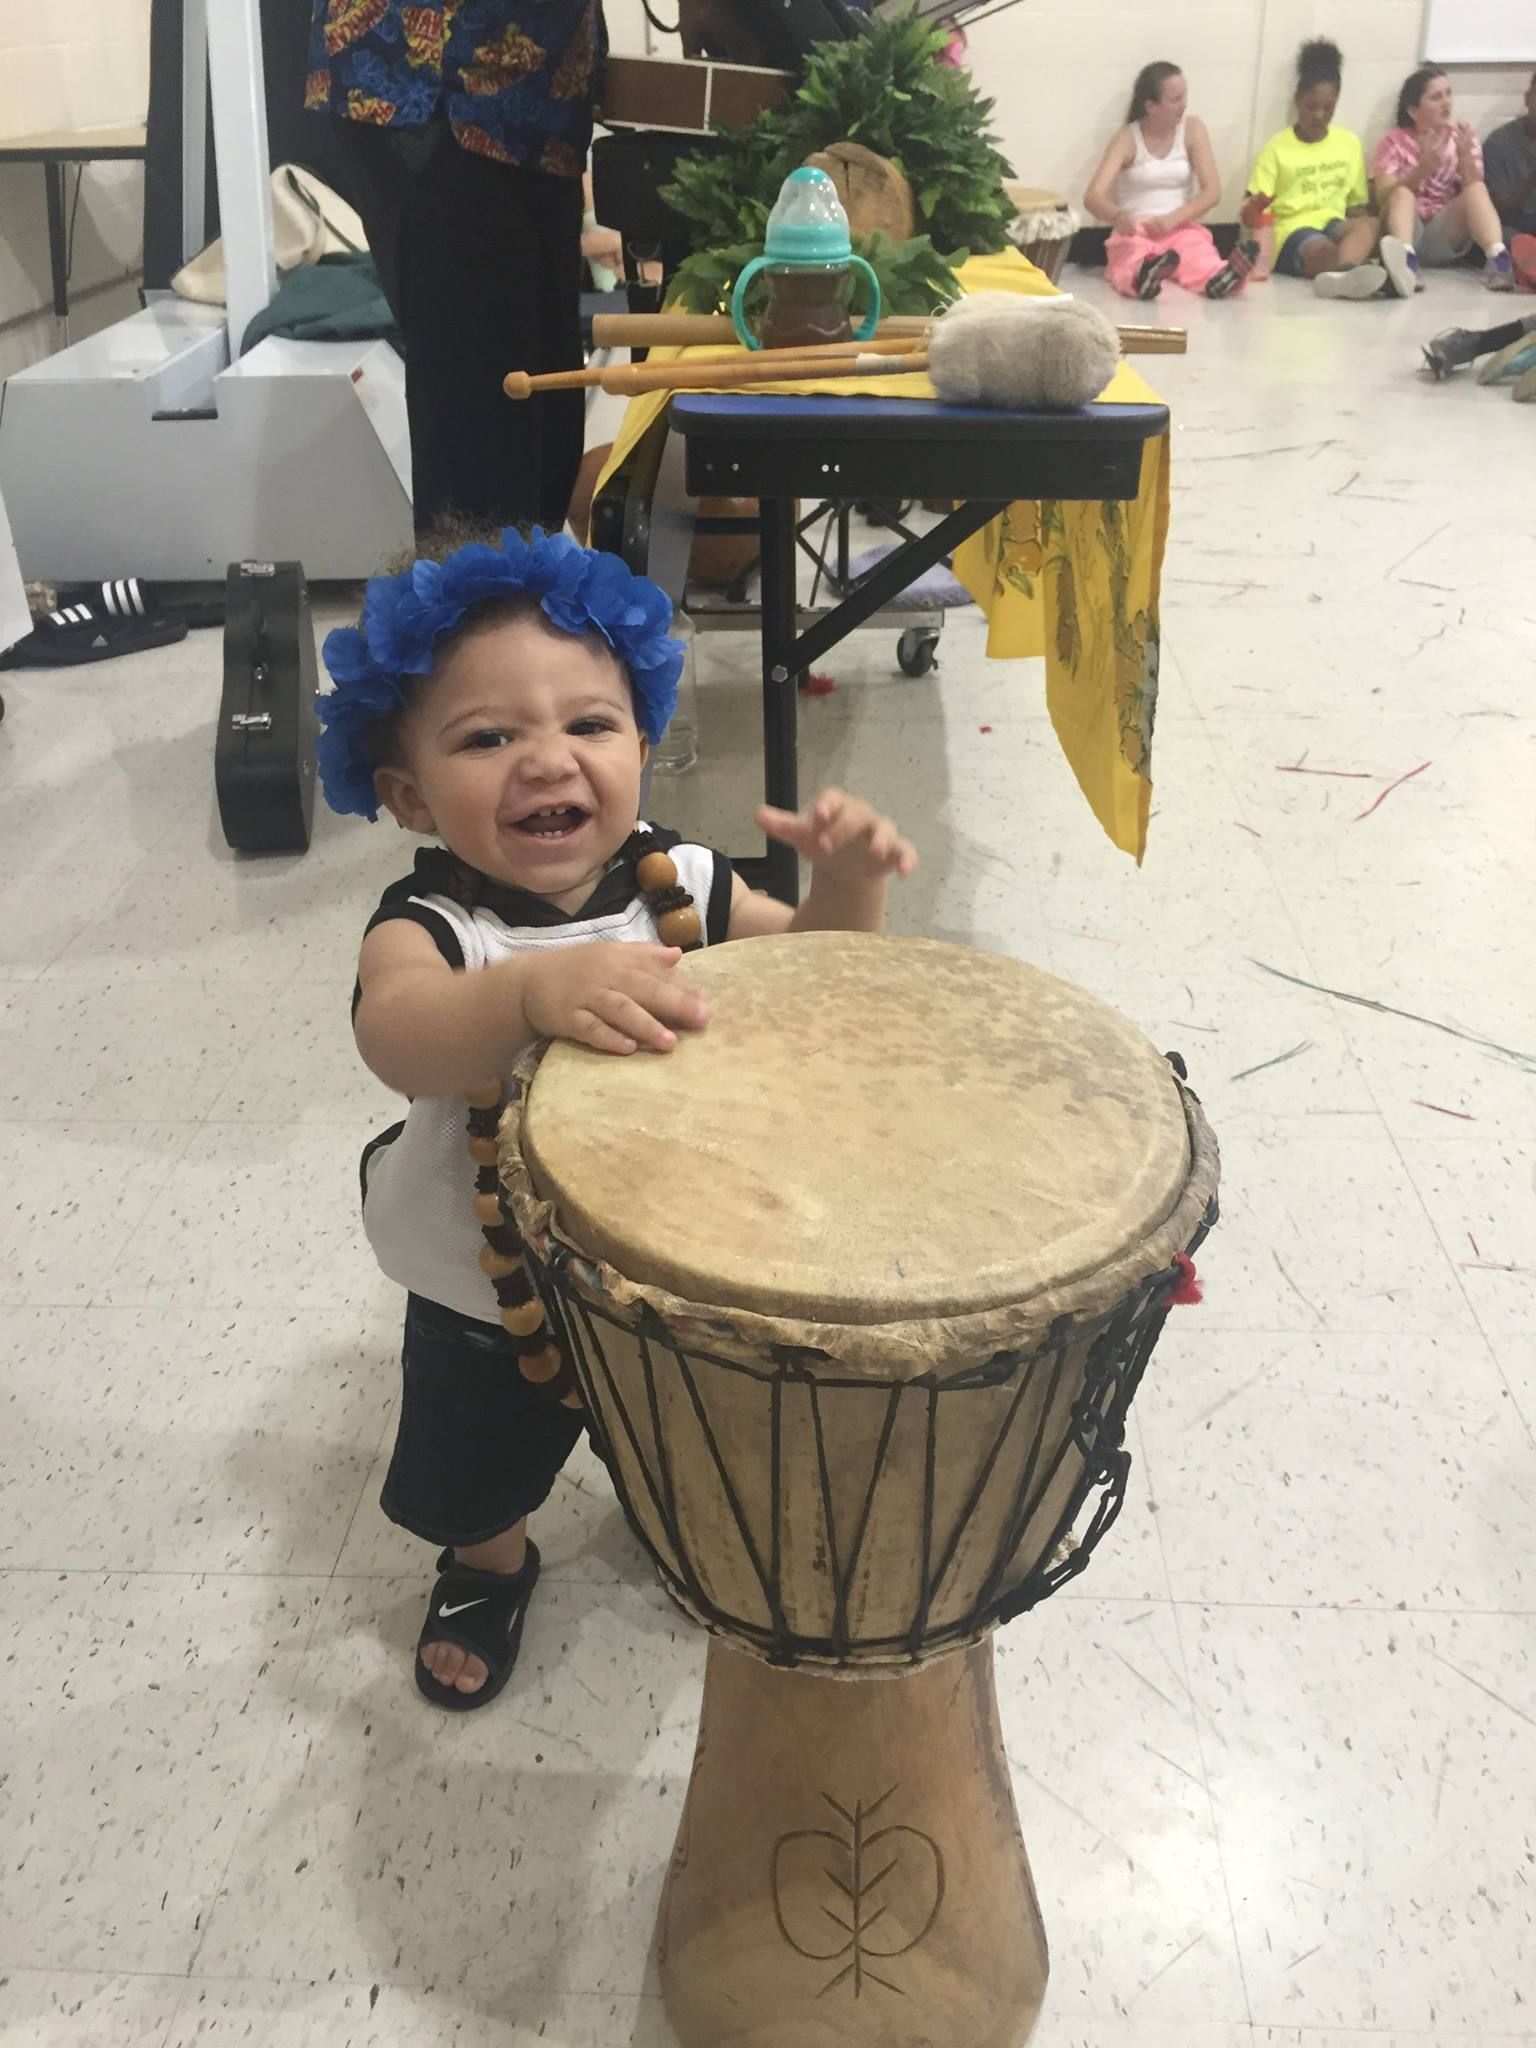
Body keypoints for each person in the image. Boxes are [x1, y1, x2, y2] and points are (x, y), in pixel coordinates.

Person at [318, 523, 918, 1708]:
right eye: (488, 736)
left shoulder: (681, 882)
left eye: (589, 724)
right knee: (478, 1460)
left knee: (675, 1428)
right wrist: (526, 994)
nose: (547, 760)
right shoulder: (434, 928)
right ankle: (488, 1564)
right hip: (482, 1281)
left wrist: (850, 883)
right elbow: (397, 1034)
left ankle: (672, 1510)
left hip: (662, 1253)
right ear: (407, 793)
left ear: (643, 742)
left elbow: (813, 975)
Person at [305, 1, 604, 536]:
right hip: (442, 92)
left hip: (536, 103)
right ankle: (480, 592)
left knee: (546, 427)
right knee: (485, 459)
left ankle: (520, 586)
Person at [1243, 39, 1411, 300]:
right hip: (1292, 231)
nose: (1319, 115)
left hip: (1334, 224)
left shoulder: (1349, 143)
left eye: (1328, 108)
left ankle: (1346, 276)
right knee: (1323, 250)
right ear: (1298, 100)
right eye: (1311, 107)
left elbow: (1356, 209)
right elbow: (1249, 215)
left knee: (1368, 226)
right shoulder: (1277, 148)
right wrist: (1255, 206)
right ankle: (1362, 274)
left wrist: (1372, 229)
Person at [1084, 62, 1254, 300]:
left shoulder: (1193, 129)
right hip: (1137, 230)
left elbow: (1212, 191)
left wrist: (1173, 219)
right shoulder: (1127, 138)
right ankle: (1144, 276)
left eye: (1184, 96)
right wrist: (1118, 216)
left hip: (1180, 227)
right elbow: (1093, 196)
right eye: (1175, 100)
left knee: (1198, 253)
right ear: (1151, 106)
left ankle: (1220, 277)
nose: (1183, 105)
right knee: (1131, 255)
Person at [1373, 66, 1514, 289]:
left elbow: (1475, 188)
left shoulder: (1461, 137)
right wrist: (1423, 169)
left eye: (1448, 94)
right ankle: (1406, 265)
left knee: (1476, 188)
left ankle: (1499, 260)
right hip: (1407, 229)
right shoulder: (1394, 142)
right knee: (1402, 193)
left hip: (1445, 232)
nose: (1446, 102)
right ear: (1413, 111)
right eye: (1436, 97)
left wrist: (1465, 156)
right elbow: (1382, 197)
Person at [1482, 69, 1536, 268]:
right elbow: (1497, 210)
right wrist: (1531, 178)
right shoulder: (1499, 142)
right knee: (1505, 238)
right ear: (1528, 98)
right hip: (1513, 229)